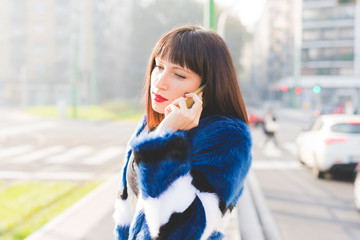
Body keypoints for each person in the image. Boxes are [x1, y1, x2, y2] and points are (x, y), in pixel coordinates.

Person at [113, 25, 252, 240]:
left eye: (178, 74)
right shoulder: (156, 123)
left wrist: (166, 138)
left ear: (206, 88)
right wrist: (164, 131)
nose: (159, 82)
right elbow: (131, 211)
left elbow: (181, 232)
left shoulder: (227, 139)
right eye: (159, 66)